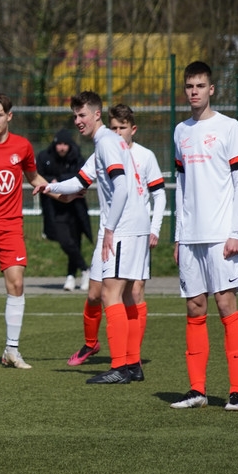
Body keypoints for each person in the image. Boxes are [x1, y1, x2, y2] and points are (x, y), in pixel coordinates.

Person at [34, 91, 151, 385]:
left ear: (97, 114)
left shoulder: (107, 142)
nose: (77, 121)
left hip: (123, 228)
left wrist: (110, 228)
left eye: (82, 115)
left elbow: (122, 186)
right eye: (75, 115)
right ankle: (132, 365)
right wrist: (49, 188)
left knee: (111, 295)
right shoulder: (105, 144)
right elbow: (80, 181)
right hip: (128, 226)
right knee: (122, 295)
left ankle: (120, 367)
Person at [170, 61, 238, 411]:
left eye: (200, 86)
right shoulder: (180, 131)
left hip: (221, 236)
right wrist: (178, 235)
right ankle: (197, 390)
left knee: (225, 304)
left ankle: (237, 392)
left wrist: (235, 232)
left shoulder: (229, 127)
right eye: (190, 86)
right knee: (194, 307)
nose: (194, 92)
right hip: (190, 237)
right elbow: (181, 185)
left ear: (211, 89)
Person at [0, 92, 50, 370]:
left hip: (11, 224)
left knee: (16, 283)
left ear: (9, 116)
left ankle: (12, 351)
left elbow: (34, 177)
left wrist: (59, 192)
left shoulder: (23, 146)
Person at [102, 104, 166, 373]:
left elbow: (159, 194)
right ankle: (129, 360)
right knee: (117, 292)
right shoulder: (107, 152)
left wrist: (155, 228)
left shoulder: (145, 155)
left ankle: (133, 360)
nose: (118, 133)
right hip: (119, 230)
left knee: (135, 291)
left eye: (123, 128)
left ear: (133, 129)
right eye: (113, 128)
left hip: (138, 232)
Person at [36, 128, 93, 291]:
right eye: (59, 144)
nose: (62, 148)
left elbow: (80, 177)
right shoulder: (45, 157)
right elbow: (38, 176)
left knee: (75, 242)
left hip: (75, 208)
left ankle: (71, 276)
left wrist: (59, 181)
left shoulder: (77, 157)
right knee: (65, 241)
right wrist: (51, 182)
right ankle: (85, 269)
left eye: (65, 144)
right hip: (55, 210)